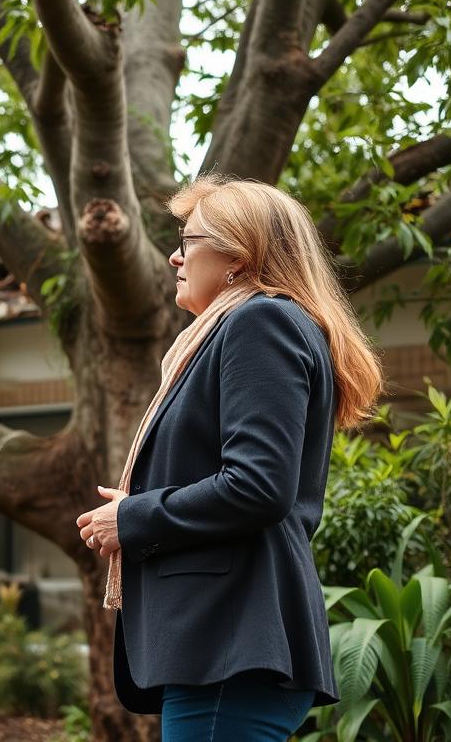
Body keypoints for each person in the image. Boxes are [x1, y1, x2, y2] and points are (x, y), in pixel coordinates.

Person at [76, 175, 383, 741]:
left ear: (238, 256)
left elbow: (257, 485)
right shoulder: (248, 327)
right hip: (225, 643)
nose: (173, 256)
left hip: (228, 639)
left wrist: (136, 517)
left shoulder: (259, 322)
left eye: (187, 240)